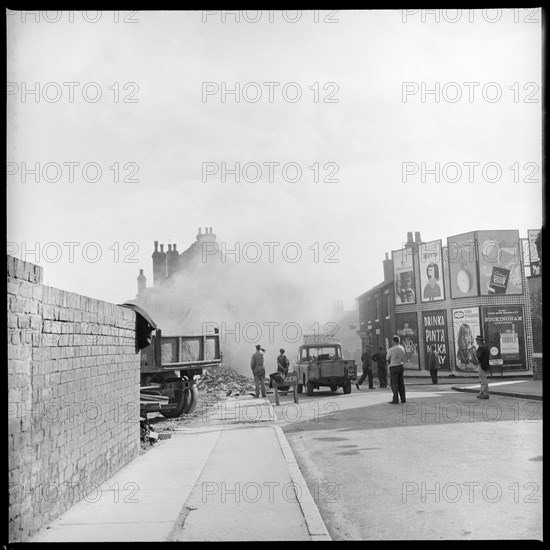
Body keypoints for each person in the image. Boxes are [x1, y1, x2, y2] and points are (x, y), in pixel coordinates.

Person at [386, 335, 406, 404]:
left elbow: (387, 358)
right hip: (400, 365)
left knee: (394, 383)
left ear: (393, 341)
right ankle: (403, 398)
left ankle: (395, 399)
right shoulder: (402, 348)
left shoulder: (391, 349)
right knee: (401, 383)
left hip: (393, 367)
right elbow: (403, 357)